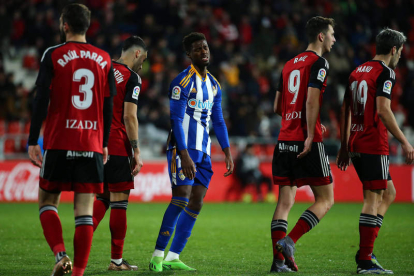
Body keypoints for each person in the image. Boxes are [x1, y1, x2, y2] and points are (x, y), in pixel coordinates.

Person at [28, 4, 116, 276]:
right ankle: (77, 273)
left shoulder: (53, 54)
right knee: (84, 212)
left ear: (64, 24)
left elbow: (41, 98)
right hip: (90, 144)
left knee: (47, 202)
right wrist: (103, 143)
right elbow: (108, 105)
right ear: (87, 26)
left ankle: (60, 254)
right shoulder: (104, 58)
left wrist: (33, 140)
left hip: (58, 141)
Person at [149, 32, 234, 272]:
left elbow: (218, 121)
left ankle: (173, 256)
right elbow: (175, 119)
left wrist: (226, 151)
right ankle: (157, 255)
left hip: (204, 151)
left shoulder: (215, 85)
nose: (203, 51)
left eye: (205, 47)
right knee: (181, 197)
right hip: (182, 148)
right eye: (197, 49)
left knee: (196, 202)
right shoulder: (182, 82)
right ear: (189, 54)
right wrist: (184, 154)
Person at [337, 28, 414, 274]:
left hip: (356, 142)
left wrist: (344, 144)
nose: (400, 56)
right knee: (372, 199)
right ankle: (365, 260)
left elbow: (345, 109)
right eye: (400, 51)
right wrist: (404, 141)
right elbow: (383, 109)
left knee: (388, 193)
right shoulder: (386, 73)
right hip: (372, 142)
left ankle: (365, 250)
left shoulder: (357, 71)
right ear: (393, 50)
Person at [270, 16, 336, 273]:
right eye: (331, 34)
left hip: (283, 140)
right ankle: (289, 242)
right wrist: (310, 132)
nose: (333, 39)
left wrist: (292, 120)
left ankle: (277, 264)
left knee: (284, 203)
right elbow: (311, 100)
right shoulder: (319, 63)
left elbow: (278, 107)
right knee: (326, 200)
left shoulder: (288, 65)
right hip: (305, 141)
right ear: (321, 36)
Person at [91, 36, 146, 271]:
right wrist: (136, 150)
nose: (143, 64)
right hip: (116, 143)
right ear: (136, 53)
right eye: (143, 58)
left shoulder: (100, 67)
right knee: (119, 202)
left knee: (102, 198)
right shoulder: (132, 77)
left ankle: (77, 246)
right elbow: (129, 116)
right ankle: (116, 261)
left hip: (93, 143)